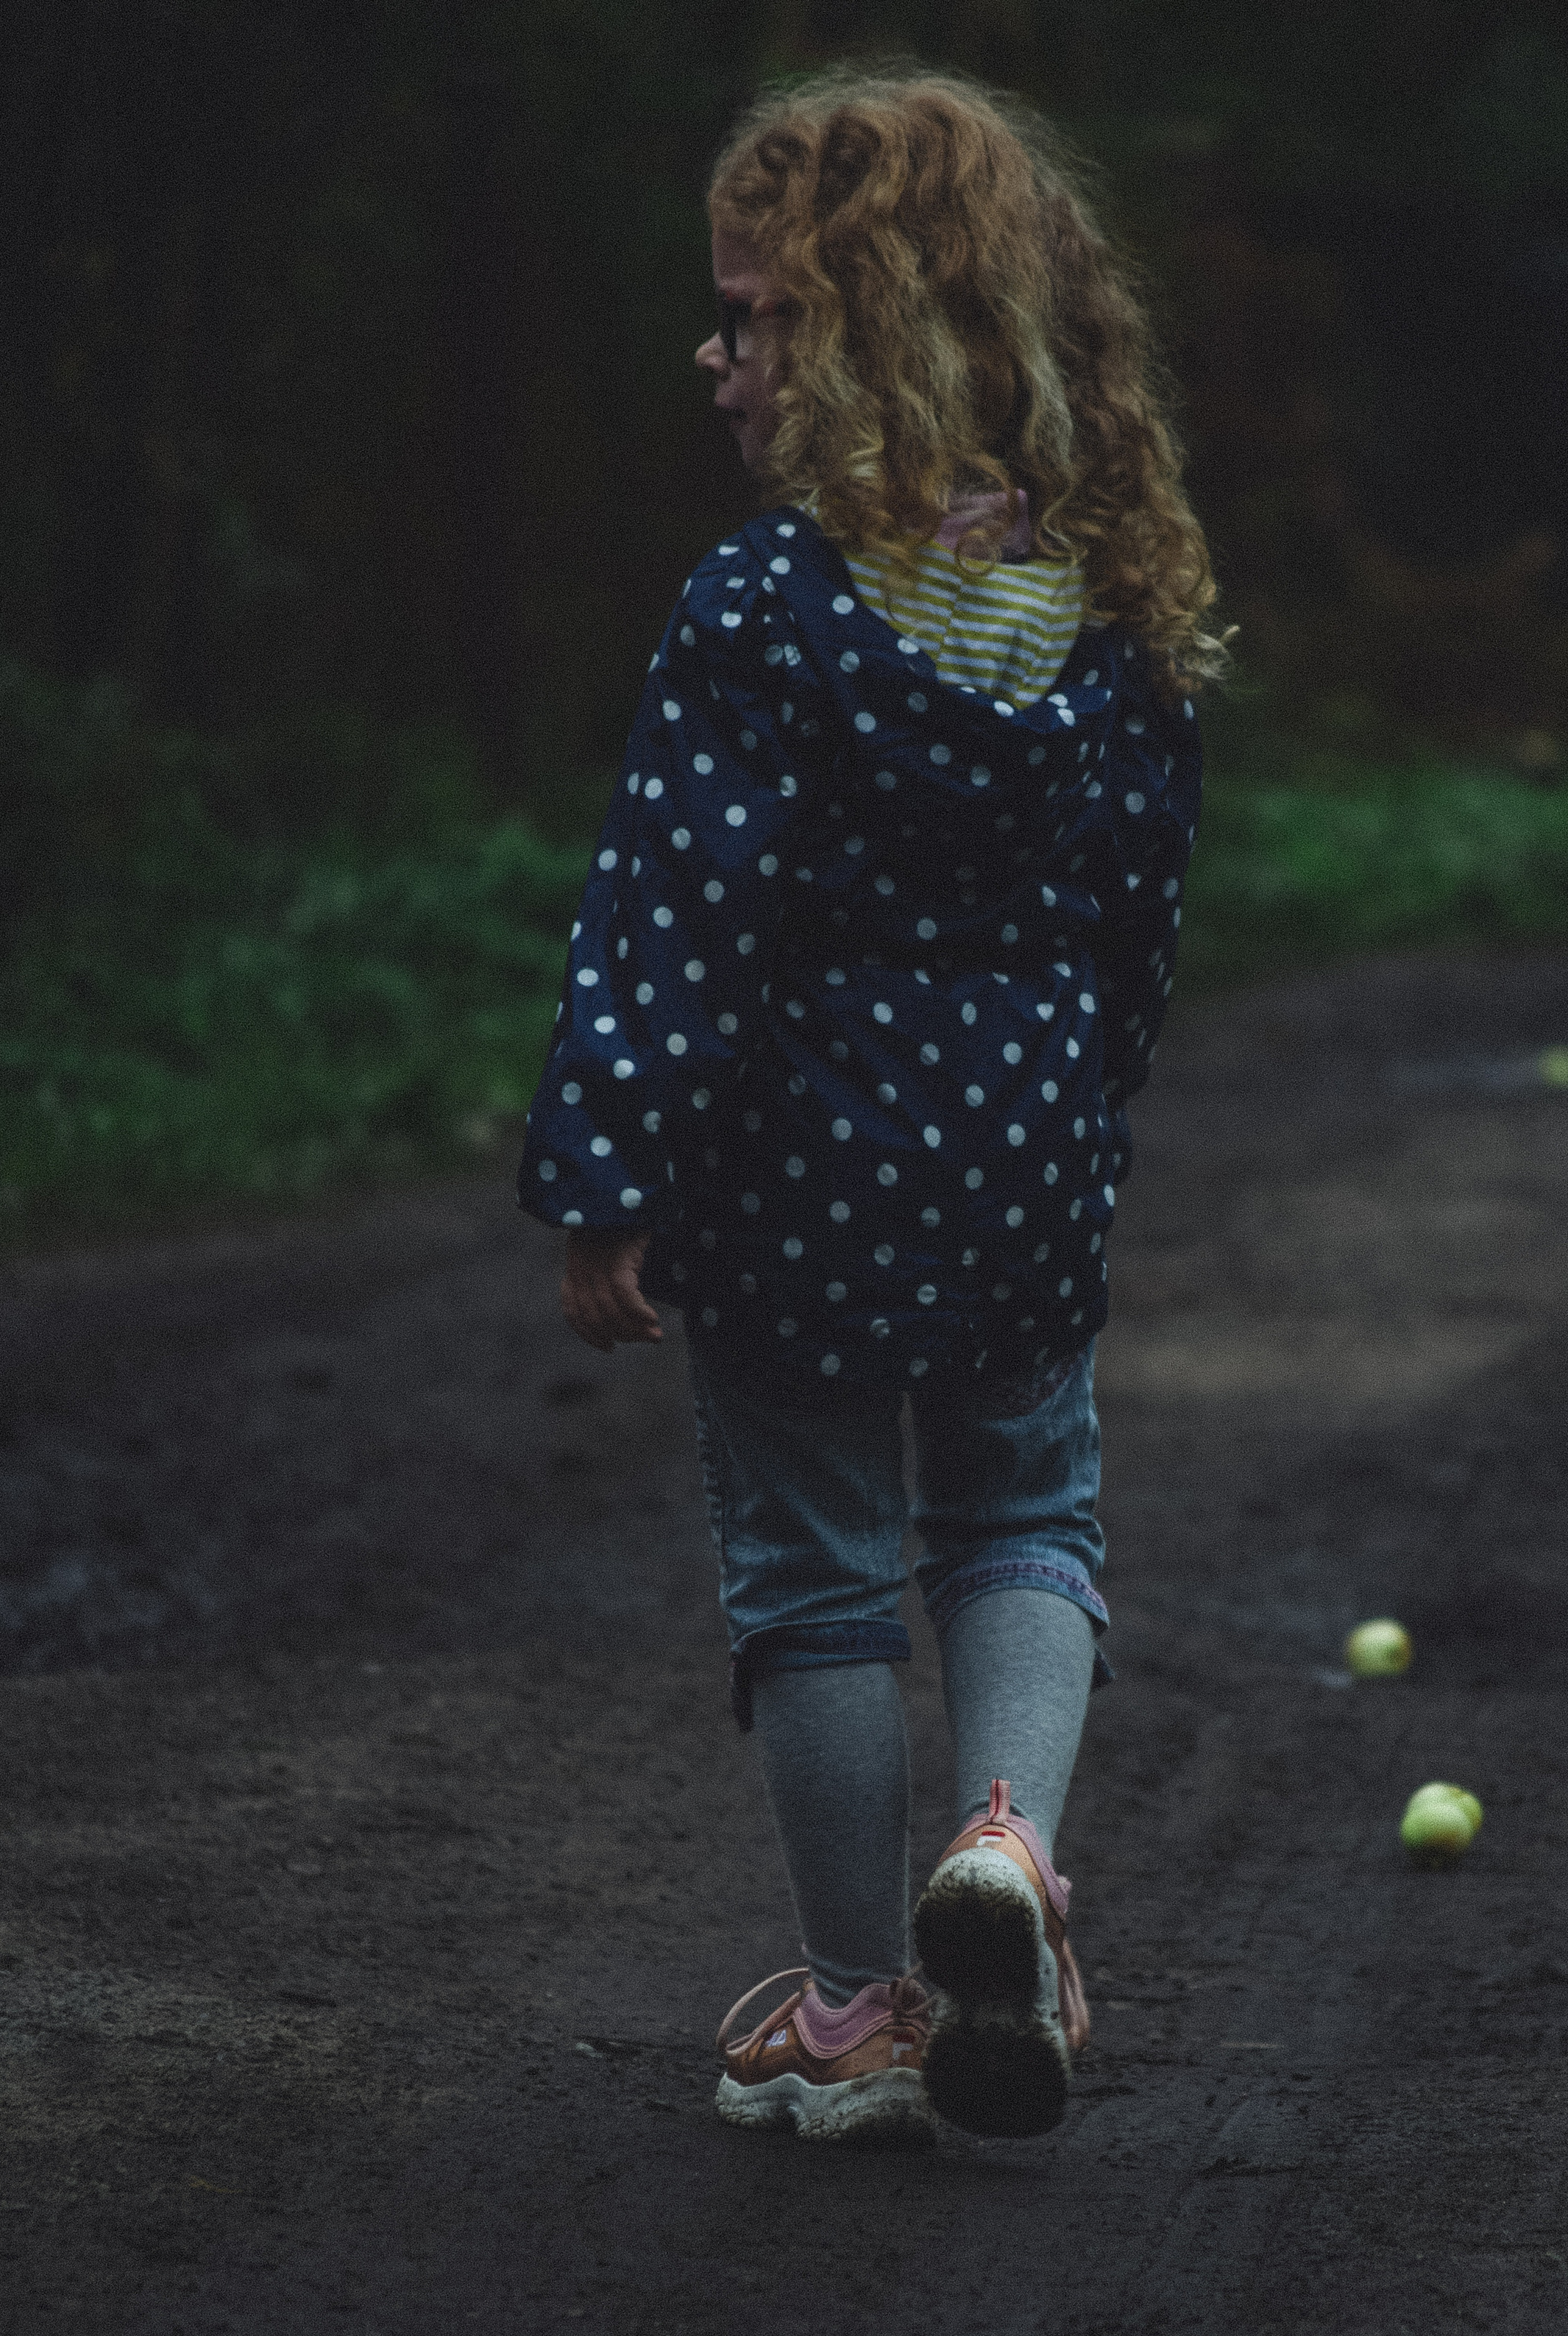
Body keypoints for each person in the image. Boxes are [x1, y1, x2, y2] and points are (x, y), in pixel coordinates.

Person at [520, 67, 1226, 2145]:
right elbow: (1139, 908)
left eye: (752, 317)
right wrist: (1087, 1108)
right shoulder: (1107, 599)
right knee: (1022, 1509)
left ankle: (854, 2013)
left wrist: (608, 1179)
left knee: (818, 1574)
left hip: (802, 1159)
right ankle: (1008, 1848)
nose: (715, 357)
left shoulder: (765, 604)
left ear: (867, 334)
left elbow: (672, 914)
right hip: (1021, 1145)